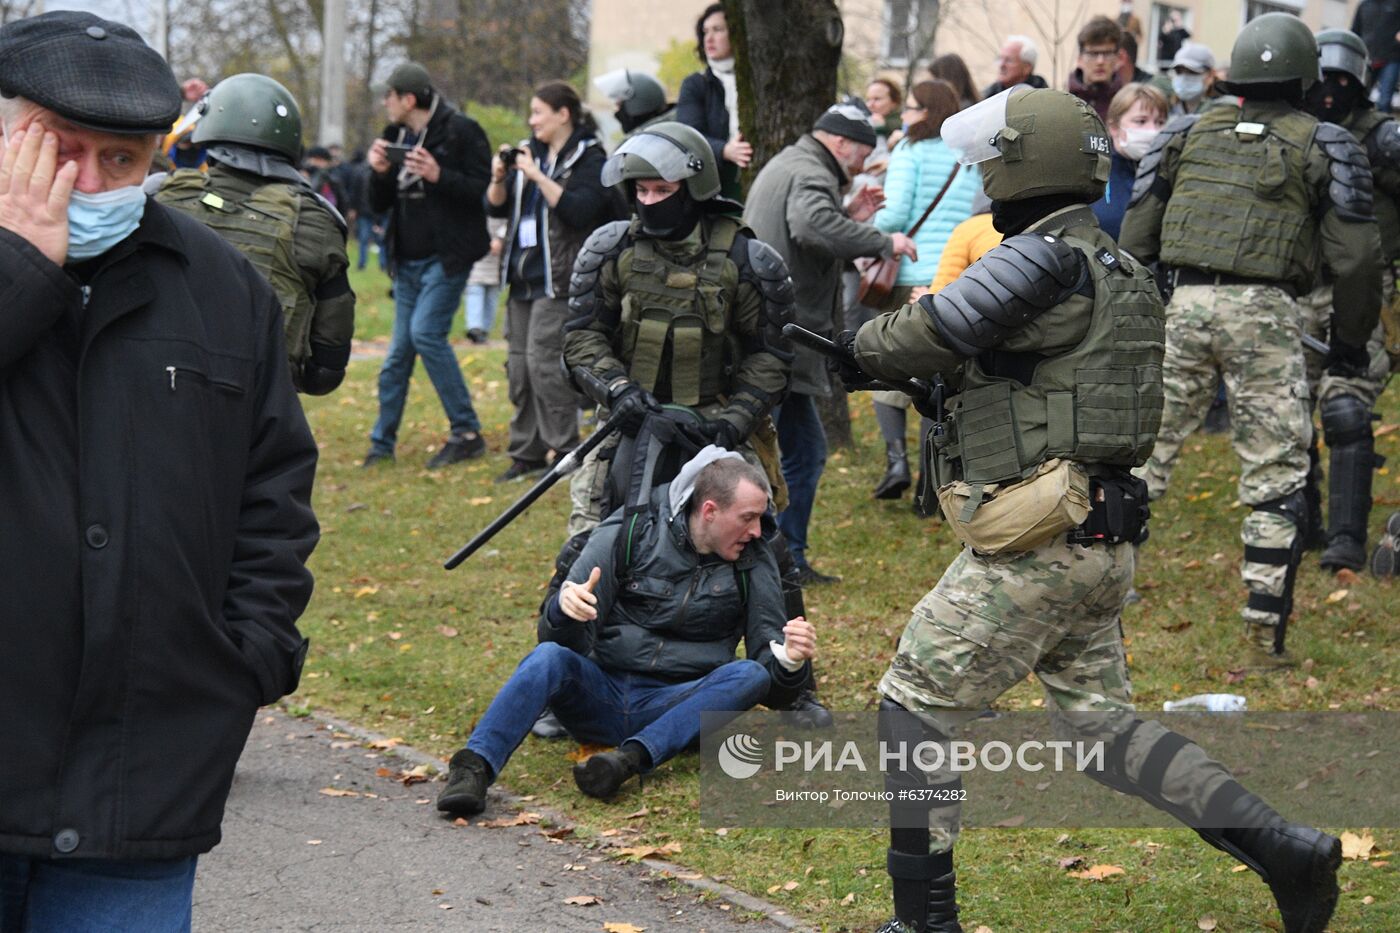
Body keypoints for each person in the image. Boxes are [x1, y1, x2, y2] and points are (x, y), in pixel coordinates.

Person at [834, 85, 1343, 933]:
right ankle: (1288, 850)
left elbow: (931, 329)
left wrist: (859, 346)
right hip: (1097, 539)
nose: (983, 183)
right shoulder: (1118, 268)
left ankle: (924, 923)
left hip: (1038, 543)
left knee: (911, 703)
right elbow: (1043, 378)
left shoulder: (1038, 257)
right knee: (1107, 734)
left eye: (991, 166)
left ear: (1019, 166)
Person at [0, 11, 318, 929]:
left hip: (141, 785)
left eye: (123, 160)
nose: (91, 182)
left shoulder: (221, 289)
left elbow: (275, 497)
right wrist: (22, 267)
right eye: (62, 152)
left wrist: (247, 660)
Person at [1120, 13, 1383, 659]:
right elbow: (1356, 259)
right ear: (1304, 76)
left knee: (1139, 457)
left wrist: (1150, 307)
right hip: (1267, 312)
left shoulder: (1182, 131)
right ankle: (1264, 625)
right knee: (1273, 475)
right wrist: (1349, 343)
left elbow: (1136, 236)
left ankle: (1095, 593)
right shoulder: (1326, 143)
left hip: (1183, 304)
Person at [558, 120, 832, 727]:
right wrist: (618, 389)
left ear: (693, 185)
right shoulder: (610, 250)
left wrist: (735, 418)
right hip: (632, 422)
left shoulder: (749, 257)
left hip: (721, 430)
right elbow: (581, 339)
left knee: (768, 549)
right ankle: (566, 681)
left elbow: (773, 352)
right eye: (642, 191)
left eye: (662, 190)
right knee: (586, 544)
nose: (651, 201)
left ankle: (795, 685)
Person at [436, 453, 817, 814]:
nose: (756, 530)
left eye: (760, 518)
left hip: (680, 707)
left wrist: (789, 660)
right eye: (748, 517)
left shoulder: (755, 558)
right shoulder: (629, 530)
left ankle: (627, 761)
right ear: (710, 511)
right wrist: (563, 610)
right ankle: (472, 770)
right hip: (600, 694)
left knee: (748, 673)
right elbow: (559, 642)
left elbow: (772, 684)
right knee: (547, 658)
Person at [744, 102, 917, 583]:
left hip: (769, 329)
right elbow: (809, 225)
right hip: (782, 333)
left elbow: (807, 228)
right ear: (840, 143)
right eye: (862, 152)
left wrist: (847, 214)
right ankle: (779, 560)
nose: (864, 163)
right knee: (790, 454)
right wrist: (882, 240)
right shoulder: (811, 171)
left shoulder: (793, 163)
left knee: (794, 449)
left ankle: (781, 557)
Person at [155, 73, 355, 397]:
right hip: (261, 411)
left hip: (160, 395)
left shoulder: (159, 198)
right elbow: (327, 368)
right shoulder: (315, 220)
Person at [1298, 28, 1398, 571]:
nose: (1331, 91)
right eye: (1323, 79)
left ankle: (1346, 539)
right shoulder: (1296, 130)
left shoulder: (1382, 137)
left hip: (1367, 287)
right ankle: (1301, 520)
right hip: (1299, 288)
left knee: (1345, 404)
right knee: (1291, 407)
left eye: (1342, 80)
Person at [363, 61, 493, 469]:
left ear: (409, 98)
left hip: (446, 257)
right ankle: (381, 444)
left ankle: (467, 432)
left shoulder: (461, 131)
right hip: (408, 262)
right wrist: (379, 173)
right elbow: (377, 205)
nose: (385, 103)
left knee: (426, 334)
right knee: (397, 355)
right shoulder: (394, 135)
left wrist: (439, 175)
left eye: (389, 96)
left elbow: (483, 192)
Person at [487, 81, 617, 483]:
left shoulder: (589, 157)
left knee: (546, 365)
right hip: (522, 277)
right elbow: (497, 204)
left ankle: (563, 450)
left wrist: (537, 175)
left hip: (559, 278)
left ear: (563, 114)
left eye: (538, 112)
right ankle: (525, 452)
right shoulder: (531, 154)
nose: (532, 121)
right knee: (520, 367)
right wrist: (498, 177)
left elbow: (579, 210)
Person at [868, 80, 979, 501]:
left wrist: (864, 230)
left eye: (912, 108)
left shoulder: (908, 151)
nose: (906, 115)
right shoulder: (965, 159)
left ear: (927, 112)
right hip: (952, 276)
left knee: (886, 367)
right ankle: (929, 483)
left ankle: (896, 460)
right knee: (934, 378)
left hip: (910, 273)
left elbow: (895, 211)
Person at [676, 3, 750, 200]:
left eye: (717, 30)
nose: (709, 38)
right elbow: (688, 136)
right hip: (715, 181)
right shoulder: (695, 84)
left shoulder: (756, 80)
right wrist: (724, 150)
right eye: (705, 31)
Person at [1091, 82, 1168, 241]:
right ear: (1114, 127)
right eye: (1141, 121)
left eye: (1160, 122)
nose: (1152, 131)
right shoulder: (1095, 175)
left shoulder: (1167, 174)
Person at [1068, 16, 1124, 123]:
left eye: (1107, 53)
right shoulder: (1065, 100)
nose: (1100, 61)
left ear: (1118, 58)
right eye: (1093, 54)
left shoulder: (1126, 103)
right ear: (1080, 59)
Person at [463, 215, 506, 344]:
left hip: (497, 259)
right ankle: (475, 328)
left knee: (492, 295)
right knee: (474, 290)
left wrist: (500, 238)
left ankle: (484, 329)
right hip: (477, 255)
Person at [1352, 0, 1400, 112]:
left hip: (1391, 57)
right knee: (1359, 96)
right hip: (1368, 58)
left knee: (1384, 100)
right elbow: (1355, 30)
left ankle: (1385, 127)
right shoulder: (1364, 5)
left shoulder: (1396, 3)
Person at [594, 68, 675, 134]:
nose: (617, 109)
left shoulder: (653, 137)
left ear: (637, 106)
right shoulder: (667, 128)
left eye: (620, 104)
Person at [981, 34, 1047, 99]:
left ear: (1027, 68)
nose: (1001, 65)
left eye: (1009, 60)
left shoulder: (1043, 99)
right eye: (1000, 59)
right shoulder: (987, 97)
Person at [1169, 43, 1218, 116]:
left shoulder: (1223, 108)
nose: (1184, 78)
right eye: (1178, 71)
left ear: (1210, 75)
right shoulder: (1166, 107)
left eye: (1192, 72)